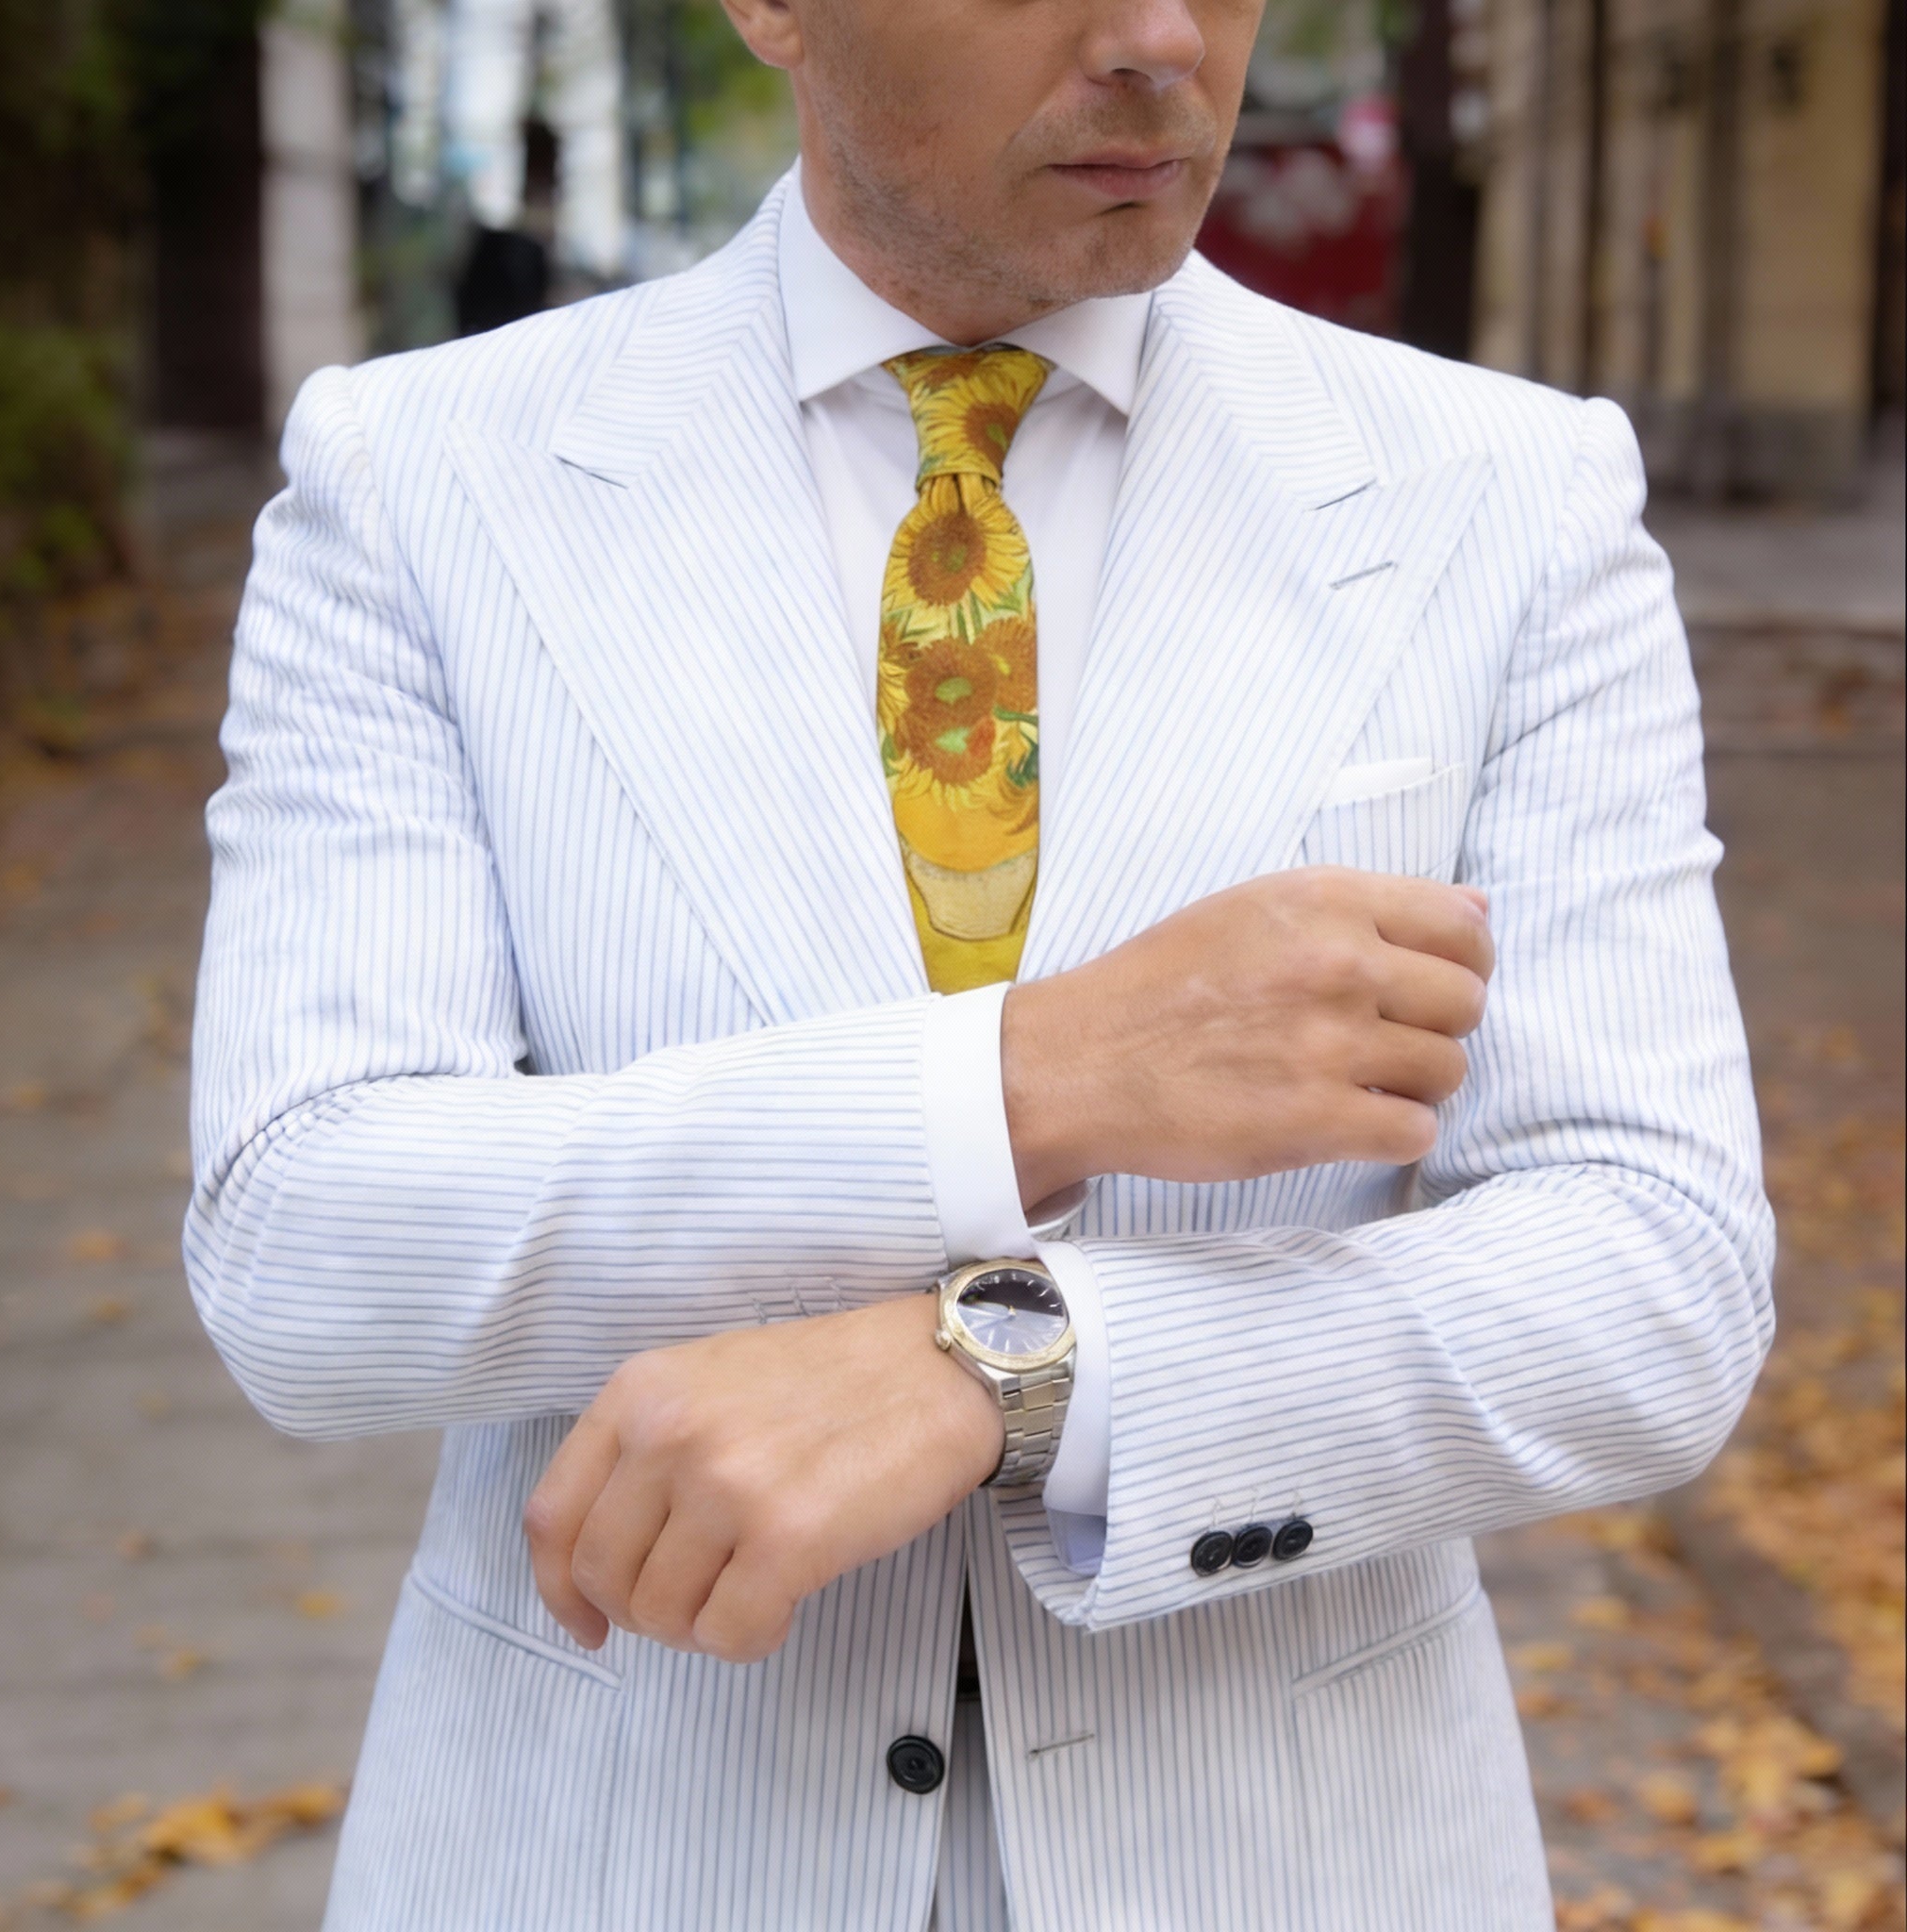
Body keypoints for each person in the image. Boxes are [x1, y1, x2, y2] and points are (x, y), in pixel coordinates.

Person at [183, 0, 1773, 1921]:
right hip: (617, 1845)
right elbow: (304, 1240)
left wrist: (1015, 1371)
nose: (1160, 35)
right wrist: (1028, 1079)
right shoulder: (425, 479)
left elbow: (1651, 1279)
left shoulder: (1507, 497)